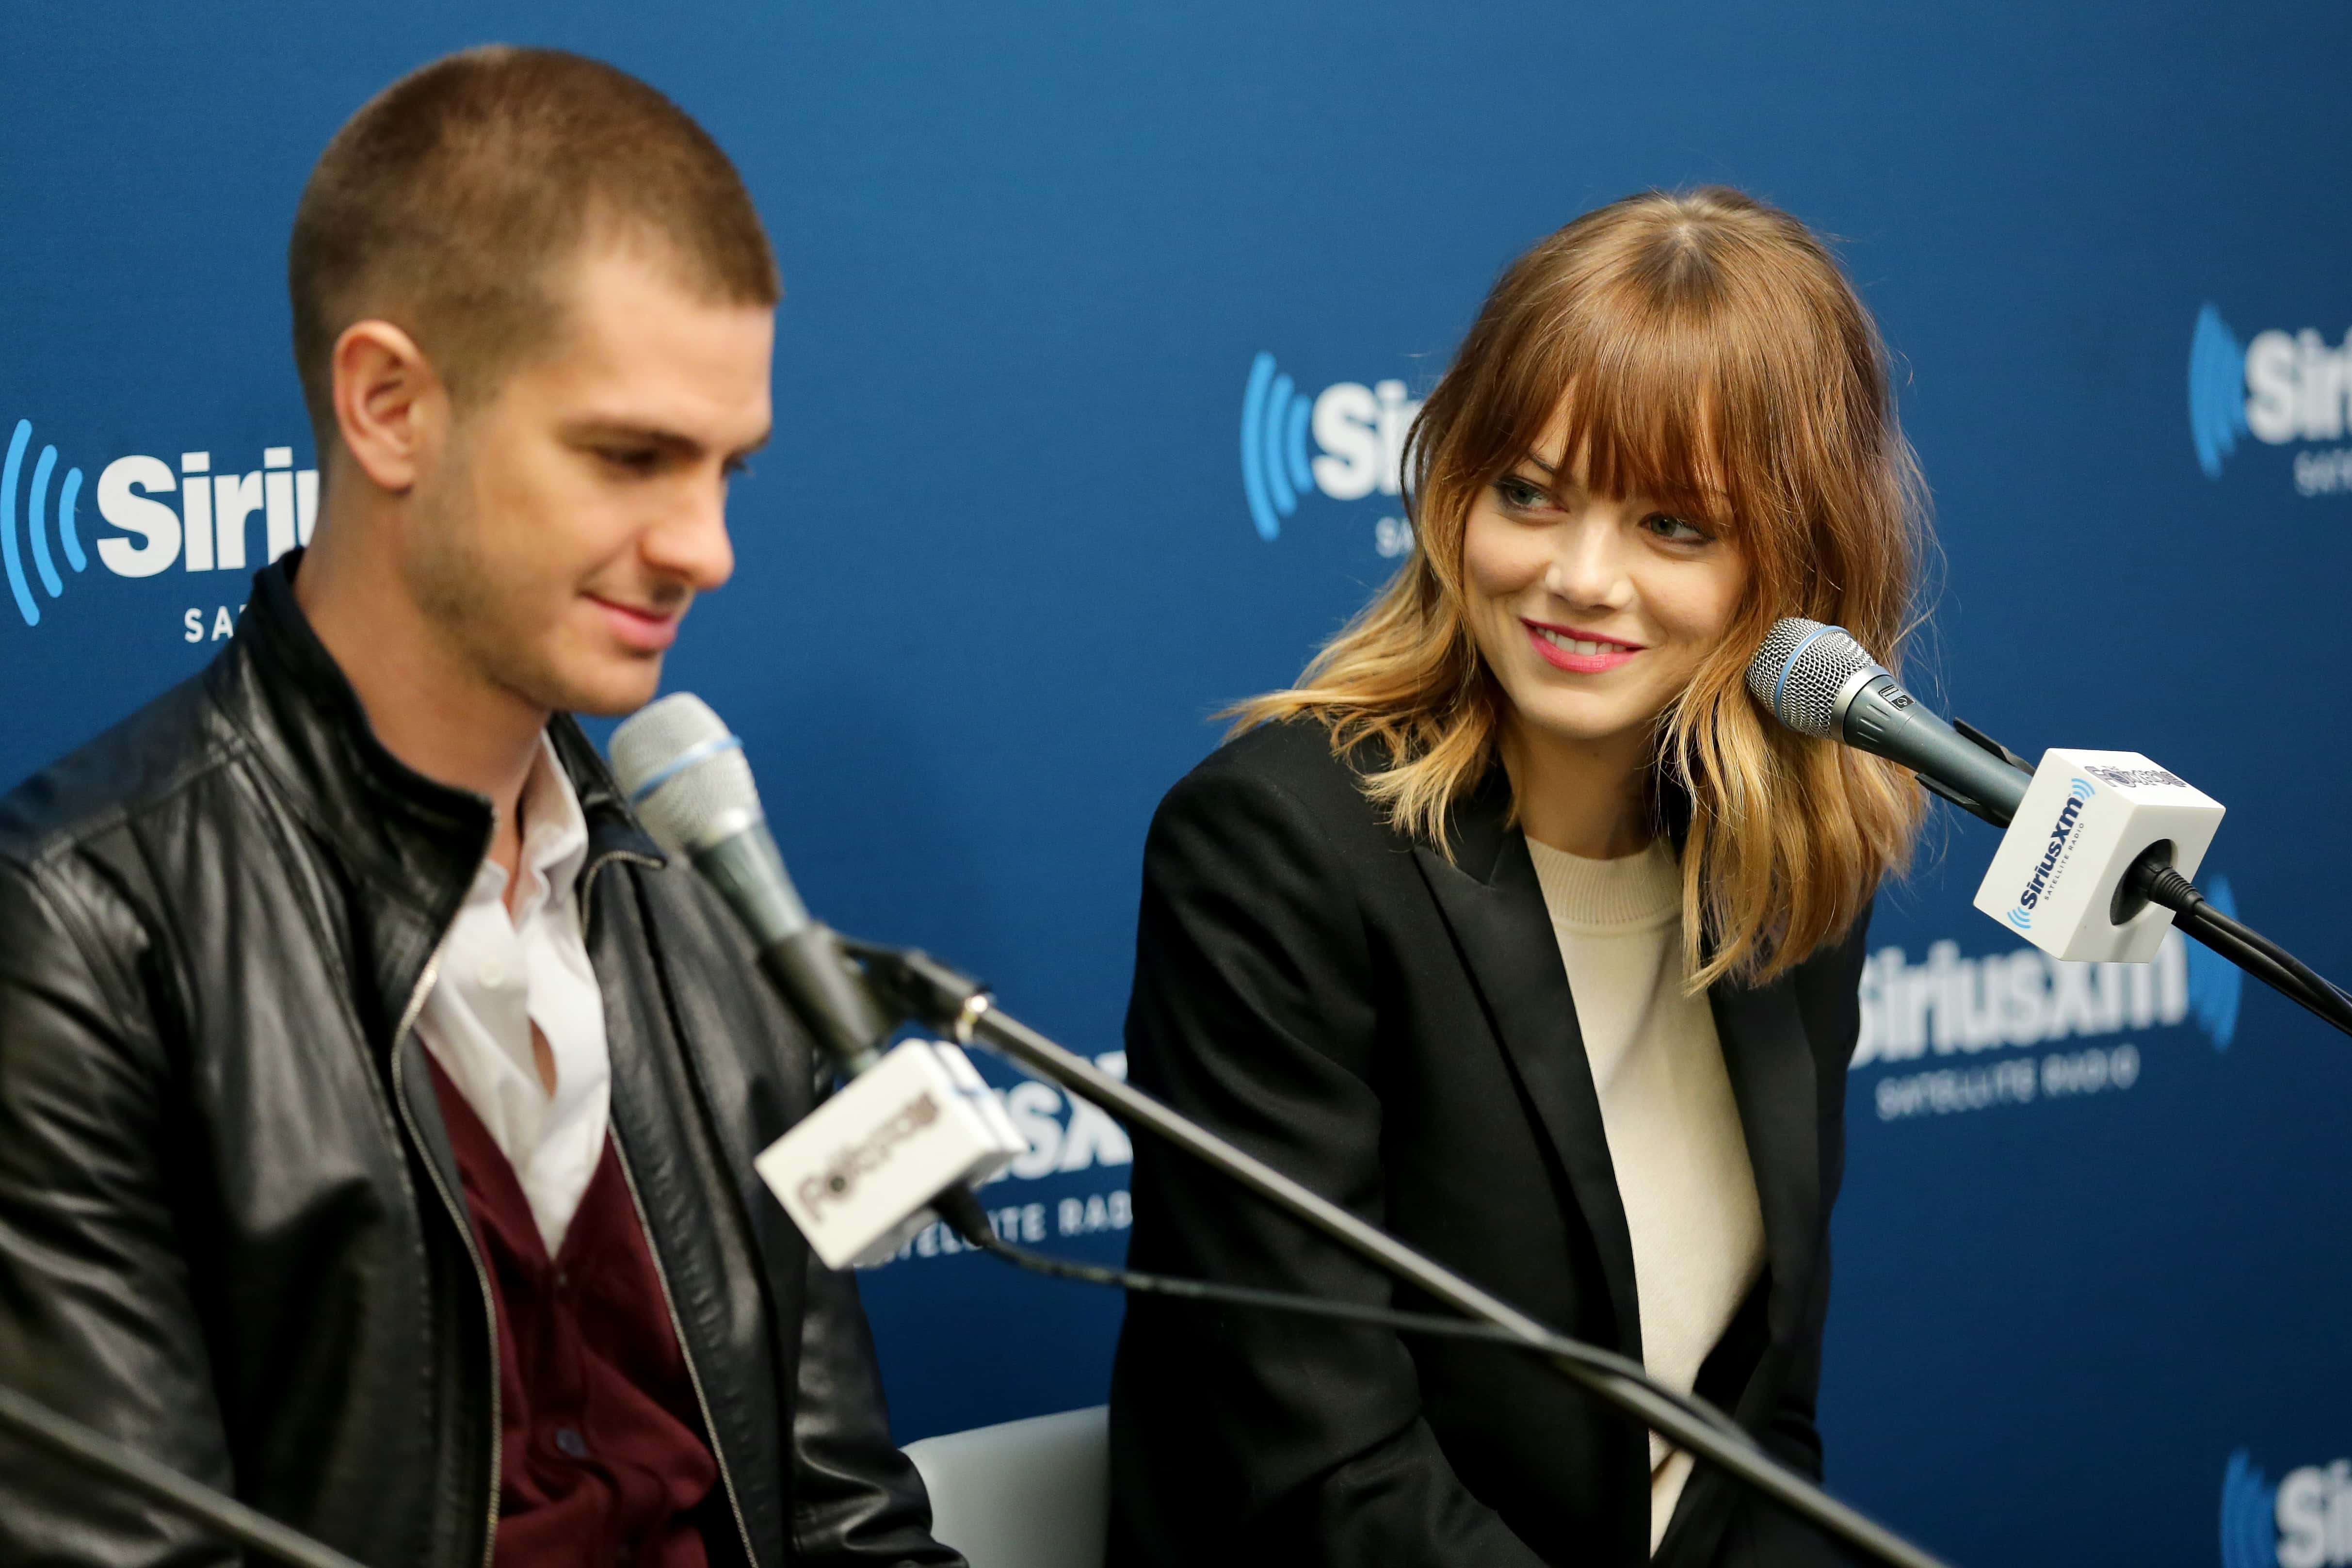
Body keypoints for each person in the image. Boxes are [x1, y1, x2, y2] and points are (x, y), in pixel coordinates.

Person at [0, 47, 963, 1568]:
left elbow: (851, 1521)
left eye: (730, 469)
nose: (705, 545)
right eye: (631, 455)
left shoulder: (696, 875)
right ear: (388, 406)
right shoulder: (82, 923)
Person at [1108, 187, 1928, 1566]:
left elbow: (1758, 1427)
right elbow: (1324, 1474)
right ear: (1452, 494)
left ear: (1789, 569)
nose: (1576, 576)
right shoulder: (1277, 848)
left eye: (1673, 525)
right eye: (1529, 494)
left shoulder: (1778, 865)